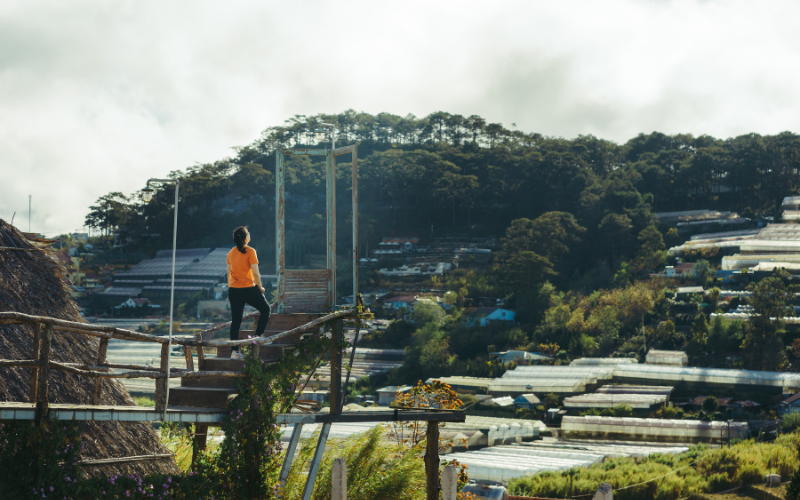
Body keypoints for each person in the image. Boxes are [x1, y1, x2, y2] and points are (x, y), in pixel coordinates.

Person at [226, 226, 271, 359]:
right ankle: (258, 337)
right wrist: (260, 287)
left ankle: (234, 352)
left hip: (234, 290)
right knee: (266, 309)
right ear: (246, 238)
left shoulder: (230, 253)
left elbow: (228, 274)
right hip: (248, 288)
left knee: (236, 321)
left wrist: (230, 290)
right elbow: (256, 273)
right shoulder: (250, 251)